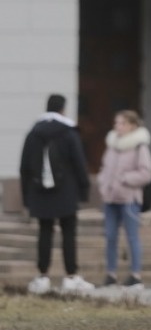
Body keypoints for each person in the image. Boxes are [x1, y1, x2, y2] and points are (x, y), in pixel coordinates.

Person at [19, 93, 95, 295]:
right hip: (66, 192)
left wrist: (26, 196)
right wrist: (84, 189)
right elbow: (79, 163)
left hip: (39, 192)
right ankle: (71, 277)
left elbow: (24, 166)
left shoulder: (33, 133)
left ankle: (42, 276)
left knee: (45, 232)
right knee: (69, 233)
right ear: (63, 109)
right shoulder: (69, 133)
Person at [97, 108, 151, 288]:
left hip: (129, 200)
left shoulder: (139, 146)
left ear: (132, 125)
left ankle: (136, 275)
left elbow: (146, 173)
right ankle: (111, 274)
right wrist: (103, 183)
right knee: (110, 236)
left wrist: (125, 179)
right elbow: (105, 168)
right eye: (116, 123)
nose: (118, 126)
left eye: (122, 123)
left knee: (132, 237)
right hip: (110, 199)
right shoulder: (113, 145)